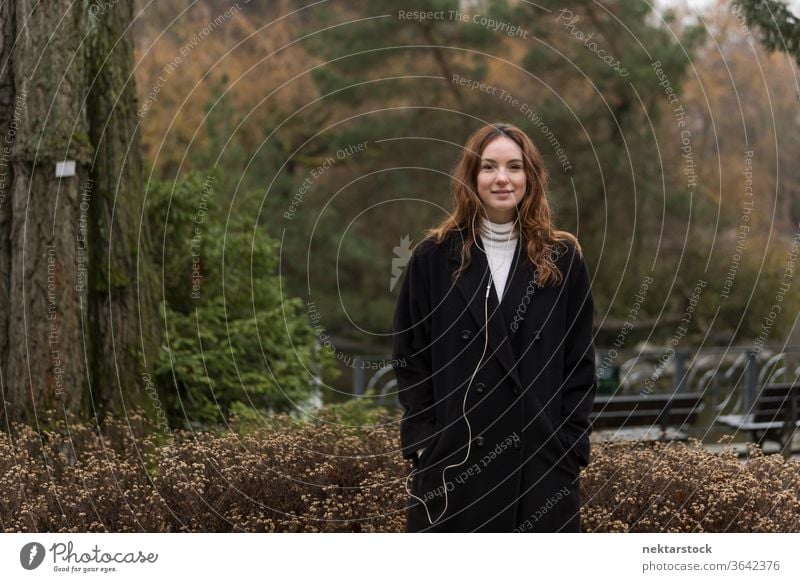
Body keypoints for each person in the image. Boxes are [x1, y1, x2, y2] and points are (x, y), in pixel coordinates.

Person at [391, 122, 597, 532]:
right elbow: (410, 357)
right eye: (489, 167)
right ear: (472, 178)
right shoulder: (433, 257)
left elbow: (580, 363)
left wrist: (569, 444)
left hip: (540, 463)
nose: (502, 178)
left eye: (514, 167)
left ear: (530, 177)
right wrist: (424, 444)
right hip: (455, 463)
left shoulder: (562, 258)